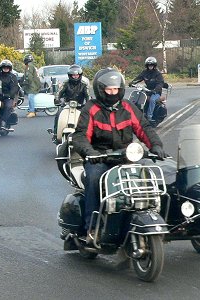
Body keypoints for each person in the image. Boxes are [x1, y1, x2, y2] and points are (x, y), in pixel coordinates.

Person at [71, 67, 167, 243]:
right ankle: (92, 228)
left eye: (115, 89)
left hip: (125, 157)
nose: (112, 93)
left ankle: (149, 219)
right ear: (100, 90)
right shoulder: (91, 108)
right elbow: (80, 136)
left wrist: (156, 145)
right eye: (108, 89)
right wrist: (91, 152)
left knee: (149, 177)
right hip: (99, 158)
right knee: (94, 180)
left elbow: (143, 127)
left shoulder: (128, 107)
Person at [52, 64, 89, 142]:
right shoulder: (65, 83)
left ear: (80, 75)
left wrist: (88, 103)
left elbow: (88, 95)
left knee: (88, 118)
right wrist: (57, 99)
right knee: (58, 114)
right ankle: (55, 134)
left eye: (77, 75)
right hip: (67, 105)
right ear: (70, 75)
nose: (75, 77)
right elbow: (59, 92)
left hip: (80, 106)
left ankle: (90, 136)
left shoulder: (84, 84)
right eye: (73, 75)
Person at [129, 56, 164, 123]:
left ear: (154, 66)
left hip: (156, 92)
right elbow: (139, 78)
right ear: (147, 65)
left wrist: (155, 90)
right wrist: (132, 82)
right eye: (149, 65)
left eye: (152, 65)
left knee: (152, 100)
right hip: (147, 90)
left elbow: (160, 83)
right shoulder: (145, 72)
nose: (150, 66)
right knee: (138, 97)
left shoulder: (158, 74)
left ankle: (149, 116)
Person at [0, 59, 19, 129]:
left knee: (8, 106)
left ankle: (3, 122)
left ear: (10, 68)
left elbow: (15, 87)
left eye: (7, 67)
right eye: (4, 67)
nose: (6, 68)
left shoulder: (12, 77)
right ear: (1, 68)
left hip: (7, 96)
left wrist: (10, 94)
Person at [21, 54, 41, 118]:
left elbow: (29, 76)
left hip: (33, 84)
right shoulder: (32, 65)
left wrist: (25, 82)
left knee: (30, 96)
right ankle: (31, 110)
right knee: (30, 96)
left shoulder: (29, 66)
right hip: (35, 83)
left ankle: (32, 111)